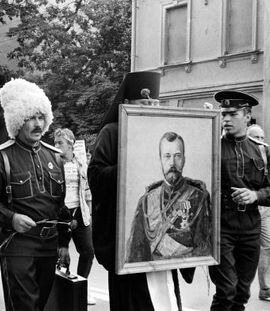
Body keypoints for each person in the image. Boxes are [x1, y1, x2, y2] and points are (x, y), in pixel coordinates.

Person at [88, 71, 195, 311]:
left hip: (162, 234)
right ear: (127, 104)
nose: (152, 108)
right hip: (128, 240)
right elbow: (95, 176)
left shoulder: (165, 133)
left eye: (156, 103)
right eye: (146, 103)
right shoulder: (112, 132)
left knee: (164, 297)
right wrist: (127, 164)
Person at [0, 78, 71, 311]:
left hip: (49, 247)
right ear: (18, 121)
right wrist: (11, 218)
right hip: (17, 246)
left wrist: (63, 243)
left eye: (41, 117)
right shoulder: (0, 158)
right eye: (31, 118)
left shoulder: (54, 157)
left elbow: (60, 205)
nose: (38, 124)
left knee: (39, 305)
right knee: (24, 307)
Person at [209, 91, 270, 310]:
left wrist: (256, 195)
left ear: (247, 116)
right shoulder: (210, 147)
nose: (225, 119)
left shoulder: (262, 151)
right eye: (223, 113)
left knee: (242, 292)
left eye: (232, 114)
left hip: (251, 226)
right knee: (226, 290)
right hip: (220, 227)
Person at [126, 131, 211, 263]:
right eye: (167, 156)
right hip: (153, 269)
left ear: (184, 159)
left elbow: (204, 247)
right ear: (160, 159)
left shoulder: (198, 198)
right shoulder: (147, 200)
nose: (172, 163)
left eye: (177, 156)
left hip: (185, 266)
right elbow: (136, 250)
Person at [53, 128, 96, 305]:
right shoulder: (54, 162)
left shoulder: (81, 163)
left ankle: (80, 288)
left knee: (88, 252)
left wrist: (90, 212)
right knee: (61, 254)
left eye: (60, 143)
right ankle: (63, 291)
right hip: (61, 214)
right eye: (55, 143)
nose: (56, 146)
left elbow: (87, 191)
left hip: (80, 212)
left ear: (70, 144)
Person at [246, 124, 270, 302]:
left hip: (264, 207)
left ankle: (265, 289)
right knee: (246, 250)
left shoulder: (265, 154)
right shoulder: (244, 154)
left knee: (266, 247)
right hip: (246, 209)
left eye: (262, 138)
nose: (260, 141)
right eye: (256, 137)